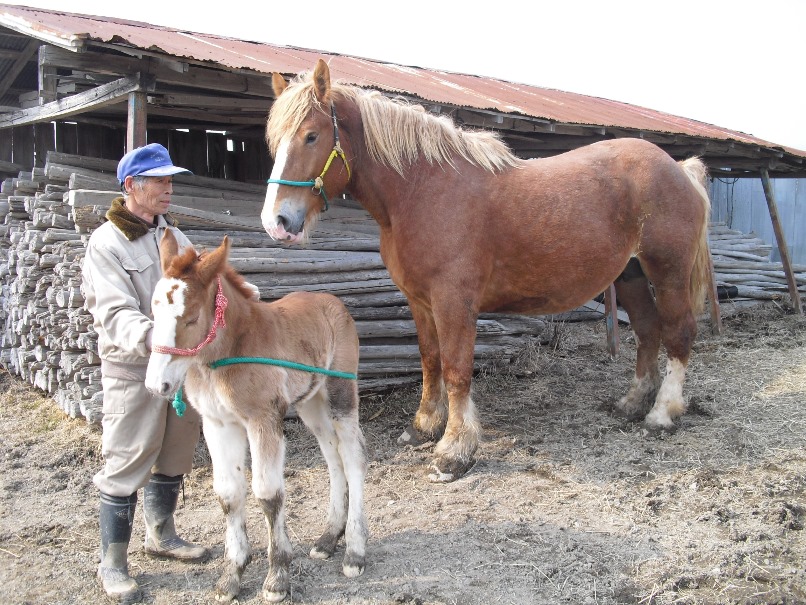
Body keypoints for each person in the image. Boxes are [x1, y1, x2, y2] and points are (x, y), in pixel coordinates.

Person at [82, 143, 209, 603]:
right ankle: (113, 563)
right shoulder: (106, 244)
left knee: (175, 453)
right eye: (159, 180)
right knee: (126, 460)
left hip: (179, 370)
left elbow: (201, 292)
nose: (168, 187)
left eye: (171, 179)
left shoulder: (175, 237)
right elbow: (114, 314)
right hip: (132, 369)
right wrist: (161, 340)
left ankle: (163, 535)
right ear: (132, 186)